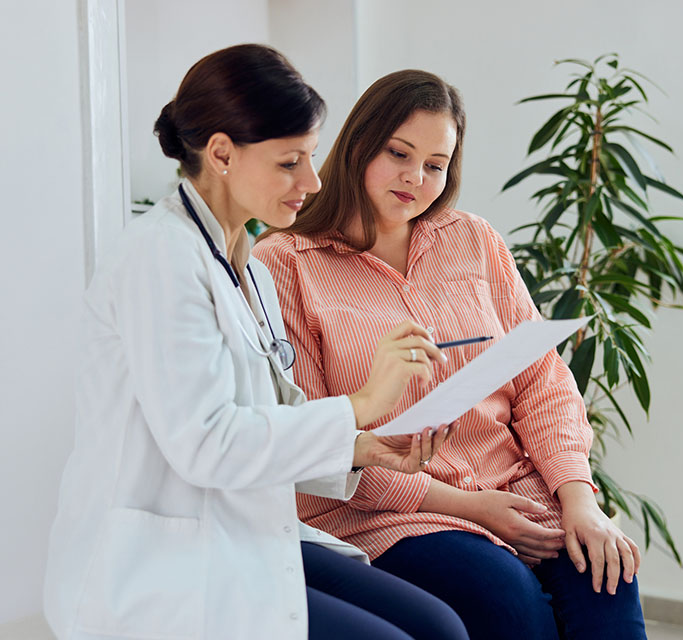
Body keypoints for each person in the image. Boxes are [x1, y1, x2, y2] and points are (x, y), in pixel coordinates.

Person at [43, 47, 470, 640]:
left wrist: (365, 446)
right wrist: (363, 403)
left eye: (312, 158)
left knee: (440, 626)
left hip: (238, 532)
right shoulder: (159, 256)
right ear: (221, 153)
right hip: (162, 564)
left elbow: (275, 415)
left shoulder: (249, 266)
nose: (313, 182)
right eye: (290, 162)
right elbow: (210, 445)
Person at [253, 69, 647, 639]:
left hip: (516, 488)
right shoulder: (285, 261)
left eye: (435, 165)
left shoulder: (474, 240)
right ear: (359, 144)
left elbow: (544, 383)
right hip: (390, 513)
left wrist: (579, 498)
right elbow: (316, 439)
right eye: (398, 153)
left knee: (609, 573)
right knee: (506, 598)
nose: (415, 178)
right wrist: (472, 508)